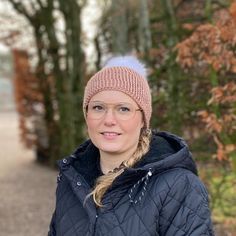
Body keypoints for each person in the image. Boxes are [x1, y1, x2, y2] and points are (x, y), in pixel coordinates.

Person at [48, 55, 214, 236]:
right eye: (98, 107)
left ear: (143, 119)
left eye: (123, 109)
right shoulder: (71, 178)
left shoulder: (179, 186)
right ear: (86, 114)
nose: (109, 120)